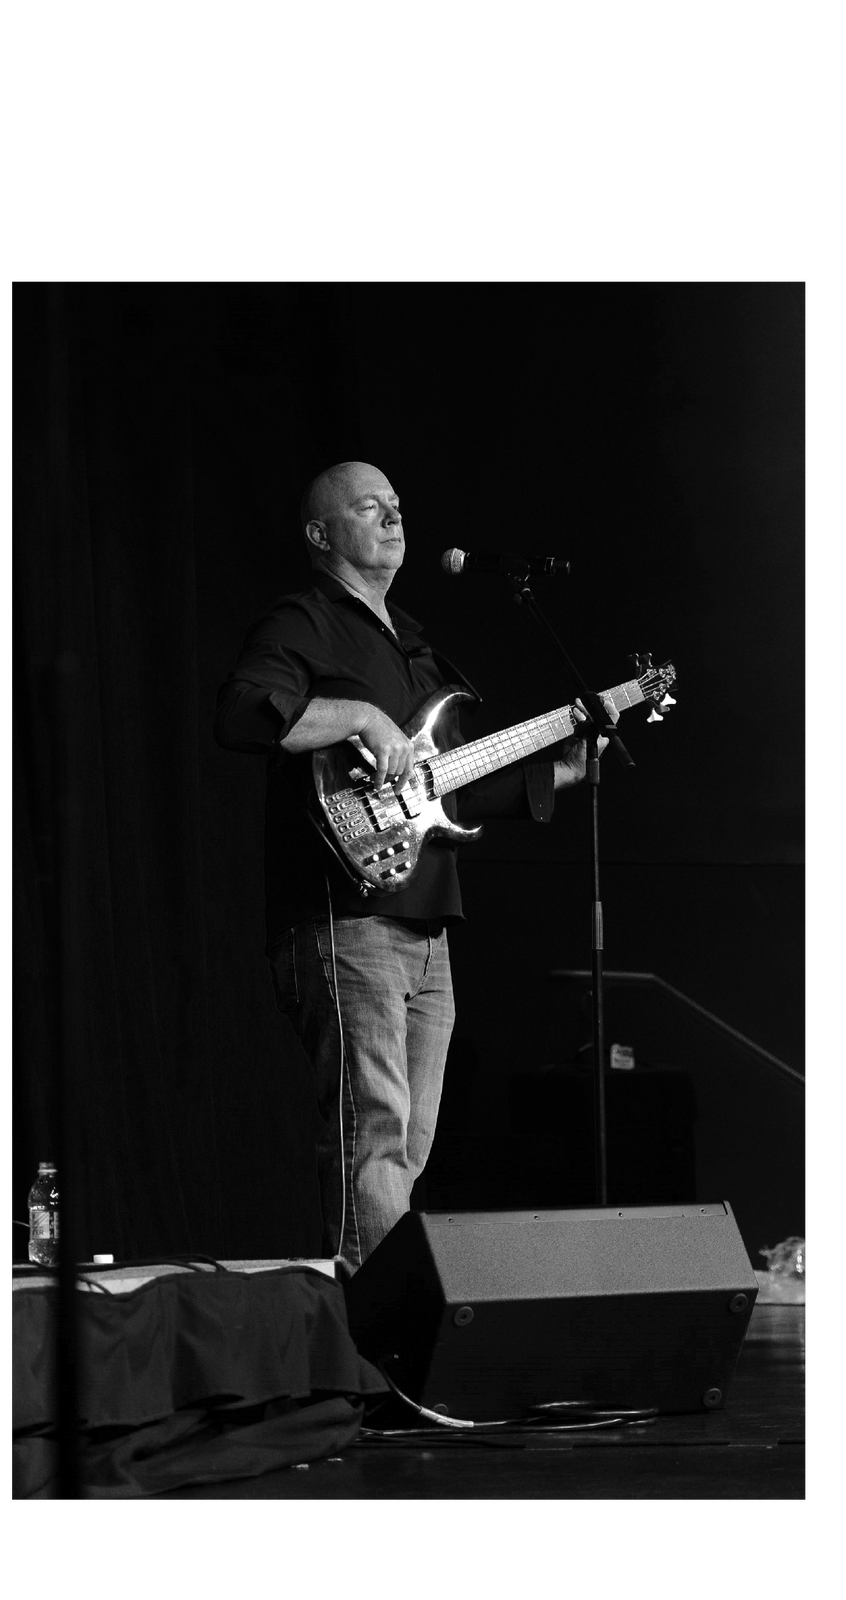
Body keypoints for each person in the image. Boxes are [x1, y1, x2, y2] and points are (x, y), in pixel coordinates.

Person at [214, 461, 614, 1277]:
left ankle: (372, 1312)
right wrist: (361, 715)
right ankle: (375, 1333)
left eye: (396, 506)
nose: (394, 518)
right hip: (344, 913)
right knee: (376, 1136)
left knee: (408, 1143)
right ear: (321, 534)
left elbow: (446, 788)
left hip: (427, 920)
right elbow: (243, 713)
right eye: (370, 508)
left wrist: (563, 770)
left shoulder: (415, 643)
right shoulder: (302, 622)